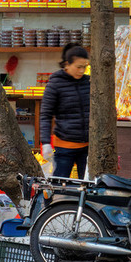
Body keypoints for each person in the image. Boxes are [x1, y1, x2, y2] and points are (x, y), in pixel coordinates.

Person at [39, 45, 91, 179]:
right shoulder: (55, 84)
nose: (82, 70)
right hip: (65, 145)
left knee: (89, 187)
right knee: (60, 186)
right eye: (78, 66)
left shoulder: (88, 82)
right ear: (67, 64)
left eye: (84, 67)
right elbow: (45, 115)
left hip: (88, 146)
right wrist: (45, 143)